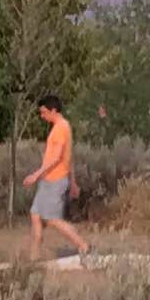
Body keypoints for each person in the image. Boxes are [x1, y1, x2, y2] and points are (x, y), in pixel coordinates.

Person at [24, 93, 87, 258]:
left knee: (52, 219)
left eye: (44, 112)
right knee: (36, 215)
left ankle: (84, 247)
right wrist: (73, 182)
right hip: (48, 180)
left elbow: (57, 158)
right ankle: (34, 258)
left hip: (55, 180)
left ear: (53, 110)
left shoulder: (60, 128)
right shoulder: (60, 127)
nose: (42, 116)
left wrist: (35, 175)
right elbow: (69, 158)